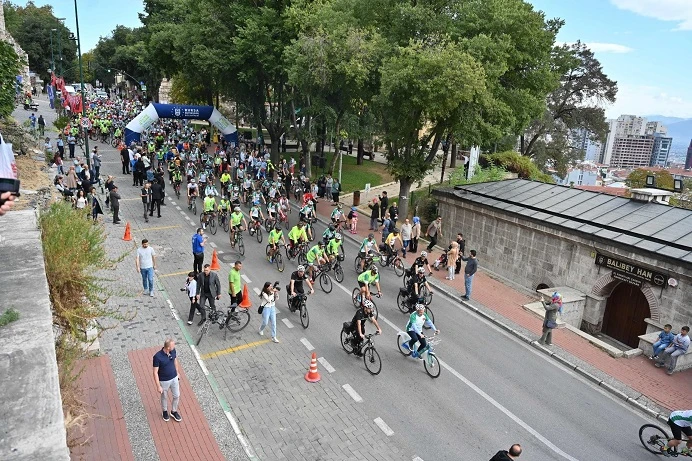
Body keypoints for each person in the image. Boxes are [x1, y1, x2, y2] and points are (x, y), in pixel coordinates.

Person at [152, 338, 182, 422]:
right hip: (164, 381)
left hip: (174, 378)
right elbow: (155, 372)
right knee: (164, 396)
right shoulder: (157, 357)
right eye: (173, 345)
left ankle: (174, 411)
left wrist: (177, 372)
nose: (174, 346)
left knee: (176, 395)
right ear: (168, 347)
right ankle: (164, 411)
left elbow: (175, 361)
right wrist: (158, 386)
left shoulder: (173, 351)